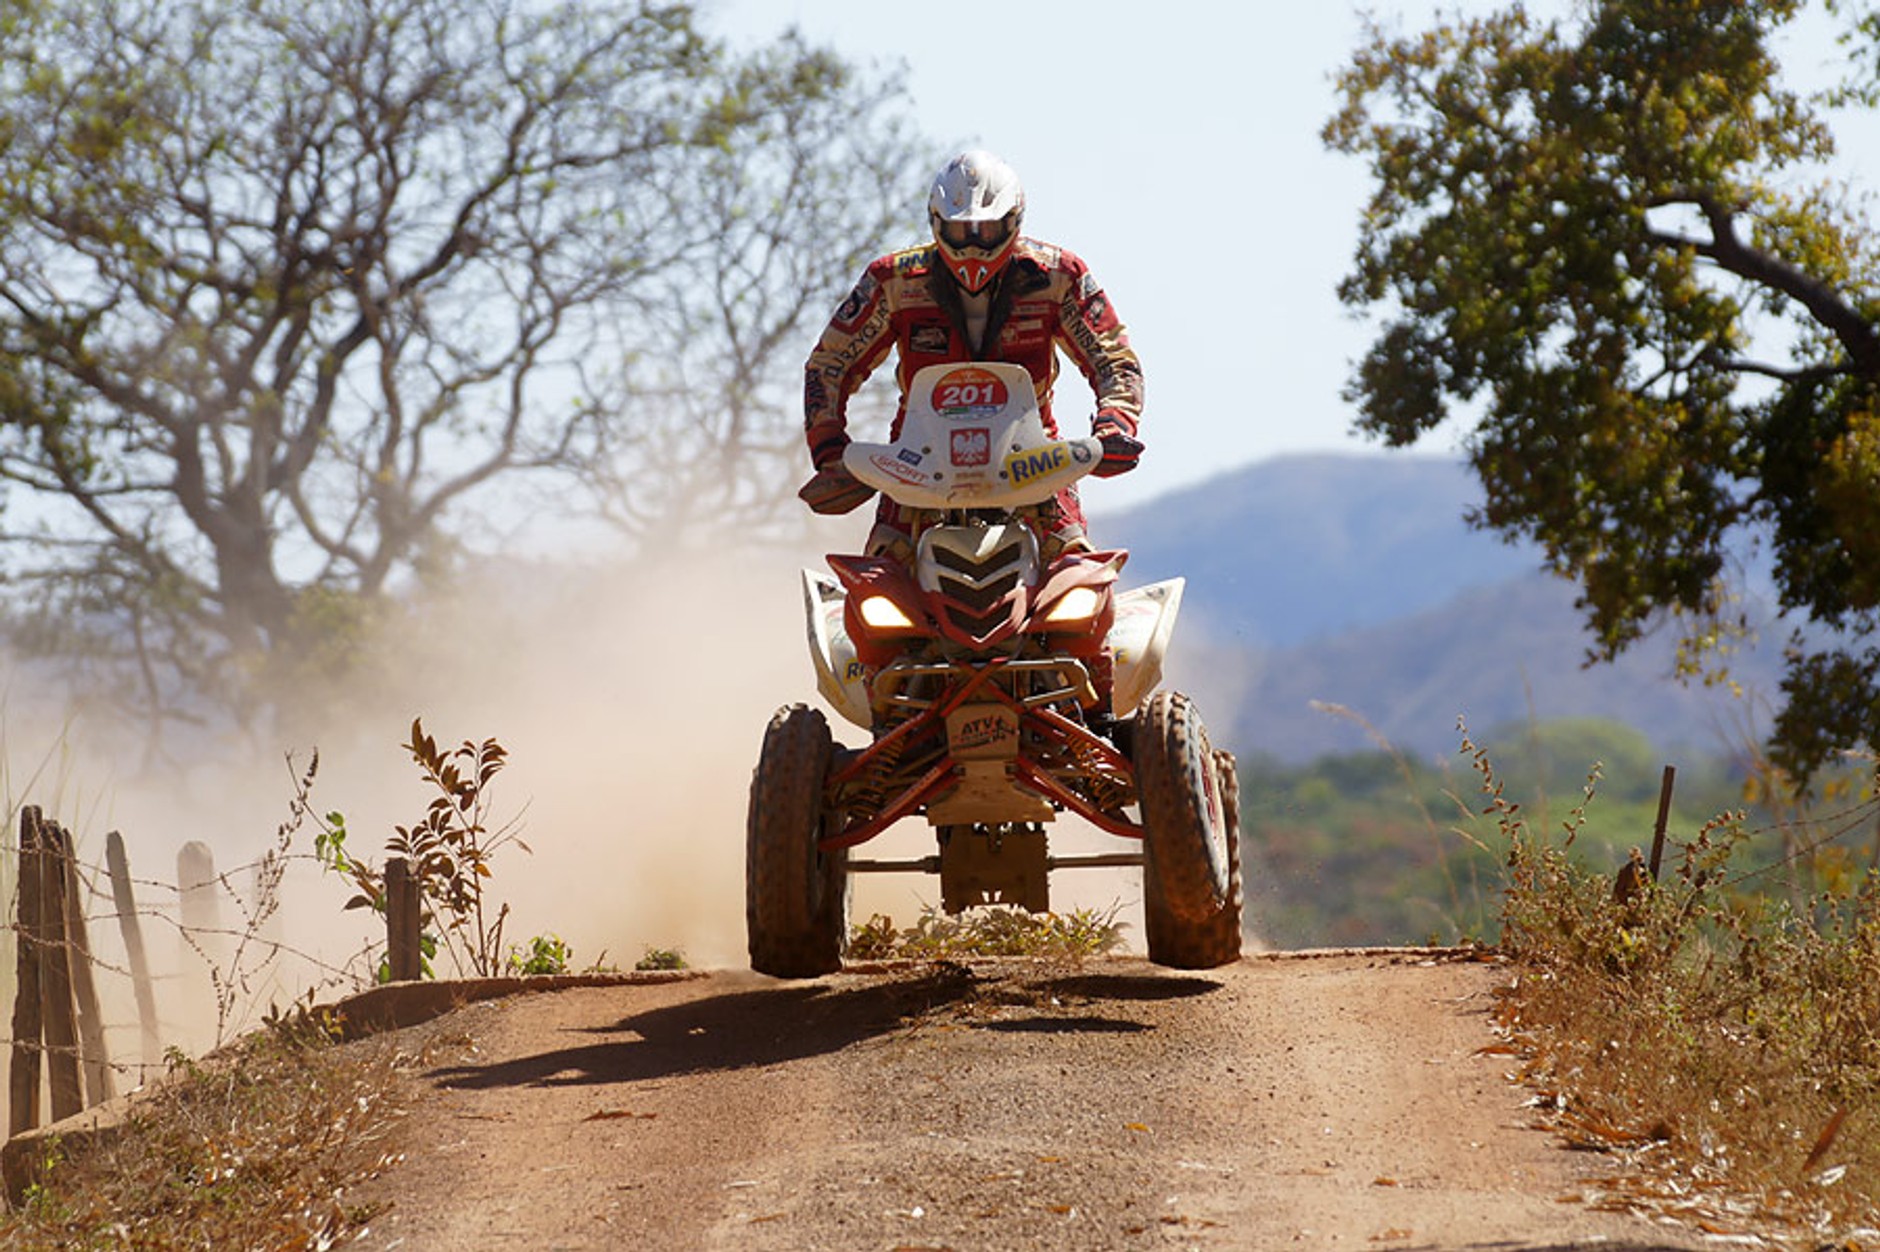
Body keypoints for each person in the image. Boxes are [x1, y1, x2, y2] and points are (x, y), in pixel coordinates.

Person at [799, 149, 1145, 562]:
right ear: (936, 223)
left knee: (1074, 562)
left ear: (1014, 222)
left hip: (1033, 458)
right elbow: (830, 365)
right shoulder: (894, 280)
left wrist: (1114, 424)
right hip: (917, 460)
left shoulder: (1058, 275)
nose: (975, 246)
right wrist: (831, 449)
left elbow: (1114, 360)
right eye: (963, 232)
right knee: (881, 569)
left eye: (988, 229)